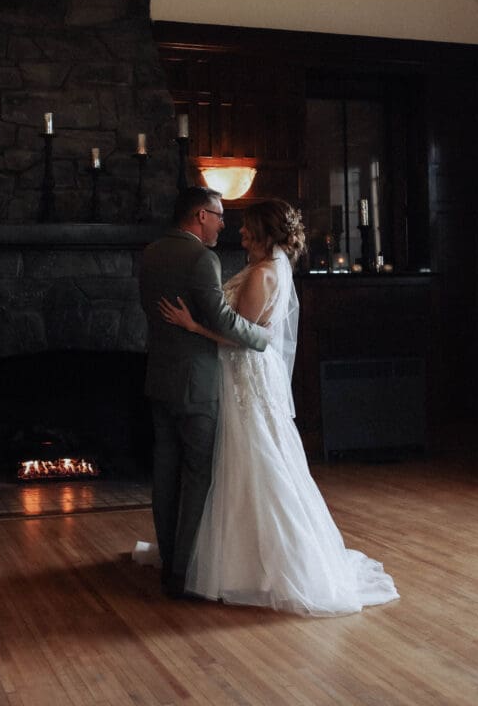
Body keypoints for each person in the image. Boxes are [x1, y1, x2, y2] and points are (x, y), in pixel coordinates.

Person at [157, 198, 399, 615]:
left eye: (249, 229)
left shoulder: (264, 274)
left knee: (254, 461)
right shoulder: (269, 268)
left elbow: (242, 336)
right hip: (245, 377)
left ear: (267, 234)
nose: (241, 233)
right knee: (248, 462)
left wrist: (193, 326)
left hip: (244, 377)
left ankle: (254, 566)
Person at [137, 186, 270, 599]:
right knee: (197, 476)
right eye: (219, 215)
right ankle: (183, 572)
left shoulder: (151, 253)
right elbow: (222, 318)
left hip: (159, 378)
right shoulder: (201, 258)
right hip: (196, 386)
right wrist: (262, 338)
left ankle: (168, 565)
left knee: (165, 474)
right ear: (200, 215)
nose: (223, 224)